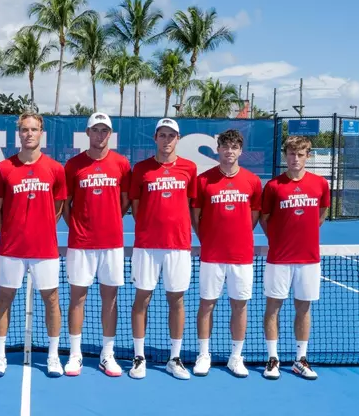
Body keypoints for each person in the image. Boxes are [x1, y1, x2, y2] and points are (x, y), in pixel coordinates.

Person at [0, 111, 67, 378]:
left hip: (45, 249)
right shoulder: (3, 168)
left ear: (41, 133)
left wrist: (42, 229)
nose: (29, 134)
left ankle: (54, 356)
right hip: (11, 250)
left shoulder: (55, 168)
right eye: (25, 130)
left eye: (34, 129)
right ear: (18, 133)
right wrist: (9, 233)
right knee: (4, 299)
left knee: (52, 299)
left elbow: (58, 207)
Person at [62, 112, 131, 377]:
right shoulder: (73, 165)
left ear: (109, 135)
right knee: (77, 298)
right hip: (81, 244)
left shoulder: (122, 164)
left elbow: (125, 201)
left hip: (112, 244)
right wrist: (78, 226)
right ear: (87, 133)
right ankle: (75, 354)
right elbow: (65, 205)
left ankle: (107, 354)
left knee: (109, 299)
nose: (100, 135)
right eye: (95, 130)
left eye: (104, 130)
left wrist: (111, 221)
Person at [128, 117, 197, 380]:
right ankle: (138, 356)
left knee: (176, 300)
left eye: (172, 135)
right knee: (141, 299)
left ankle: (175, 358)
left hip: (178, 246)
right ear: (155, 138)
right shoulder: (141, 169)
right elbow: (135, 204)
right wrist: (148, 226)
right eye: (162, 135)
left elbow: (192, 205)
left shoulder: (189, 169)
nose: (167, 140)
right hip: (146, 246)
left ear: (177, 139)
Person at [191, 129, 262, 378]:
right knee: (206, 304)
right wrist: (209, 240)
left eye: (234, 147)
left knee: (239, 306)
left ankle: (236, 357)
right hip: (212, 256)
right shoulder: (203, 180)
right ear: (218, 150)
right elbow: (196, 217)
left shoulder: (252, 181)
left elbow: (253, 216)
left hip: (242, 256)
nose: (229, 151)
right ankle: (203, 354)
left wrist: (239, 236)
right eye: (225, 146)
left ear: (240, 151)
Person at [260, 135, 329, 380]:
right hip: (279, 259)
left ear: (307, 156)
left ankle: (300, 360)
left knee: (303, 308)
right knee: (273, 308)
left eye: (300, 154)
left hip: (309, 259)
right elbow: (264, 219)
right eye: (291, 154)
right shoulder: (273, 186)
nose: (295, 159)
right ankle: (273, 359)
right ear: (285, 156)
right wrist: (278, 241)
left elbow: (321, 214)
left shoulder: (320, 184)